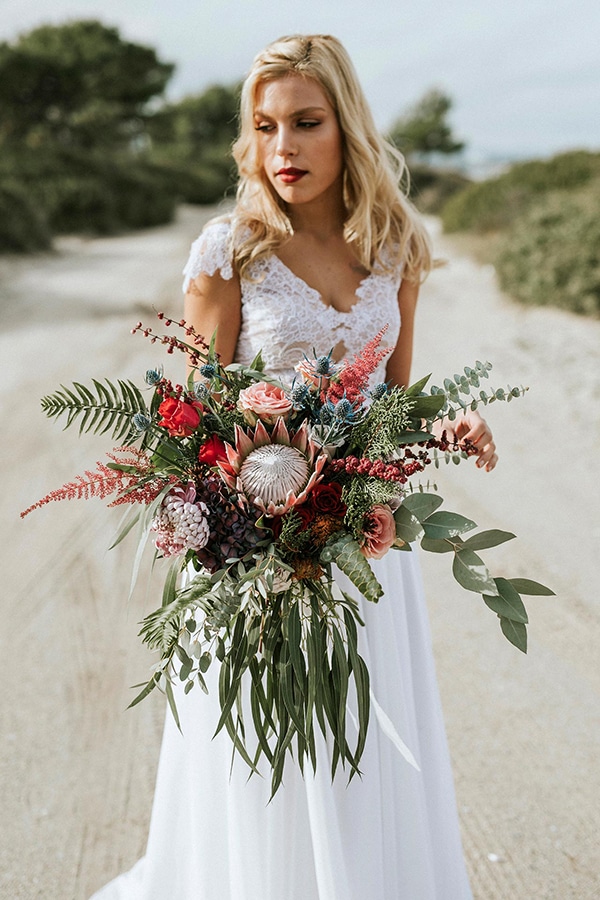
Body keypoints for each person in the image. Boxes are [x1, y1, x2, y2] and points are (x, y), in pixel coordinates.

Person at [91, 34, 496, 900]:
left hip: (364, 552)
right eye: (265, 126)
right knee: (260, 756)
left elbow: (398, 405)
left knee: (364, 743)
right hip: (256, 561)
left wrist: (447, 428)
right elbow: (192, 425)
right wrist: (243, 507)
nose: (282, 149)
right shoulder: (228, 251)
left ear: (346, 125)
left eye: (305, 123)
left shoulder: (395, 248)